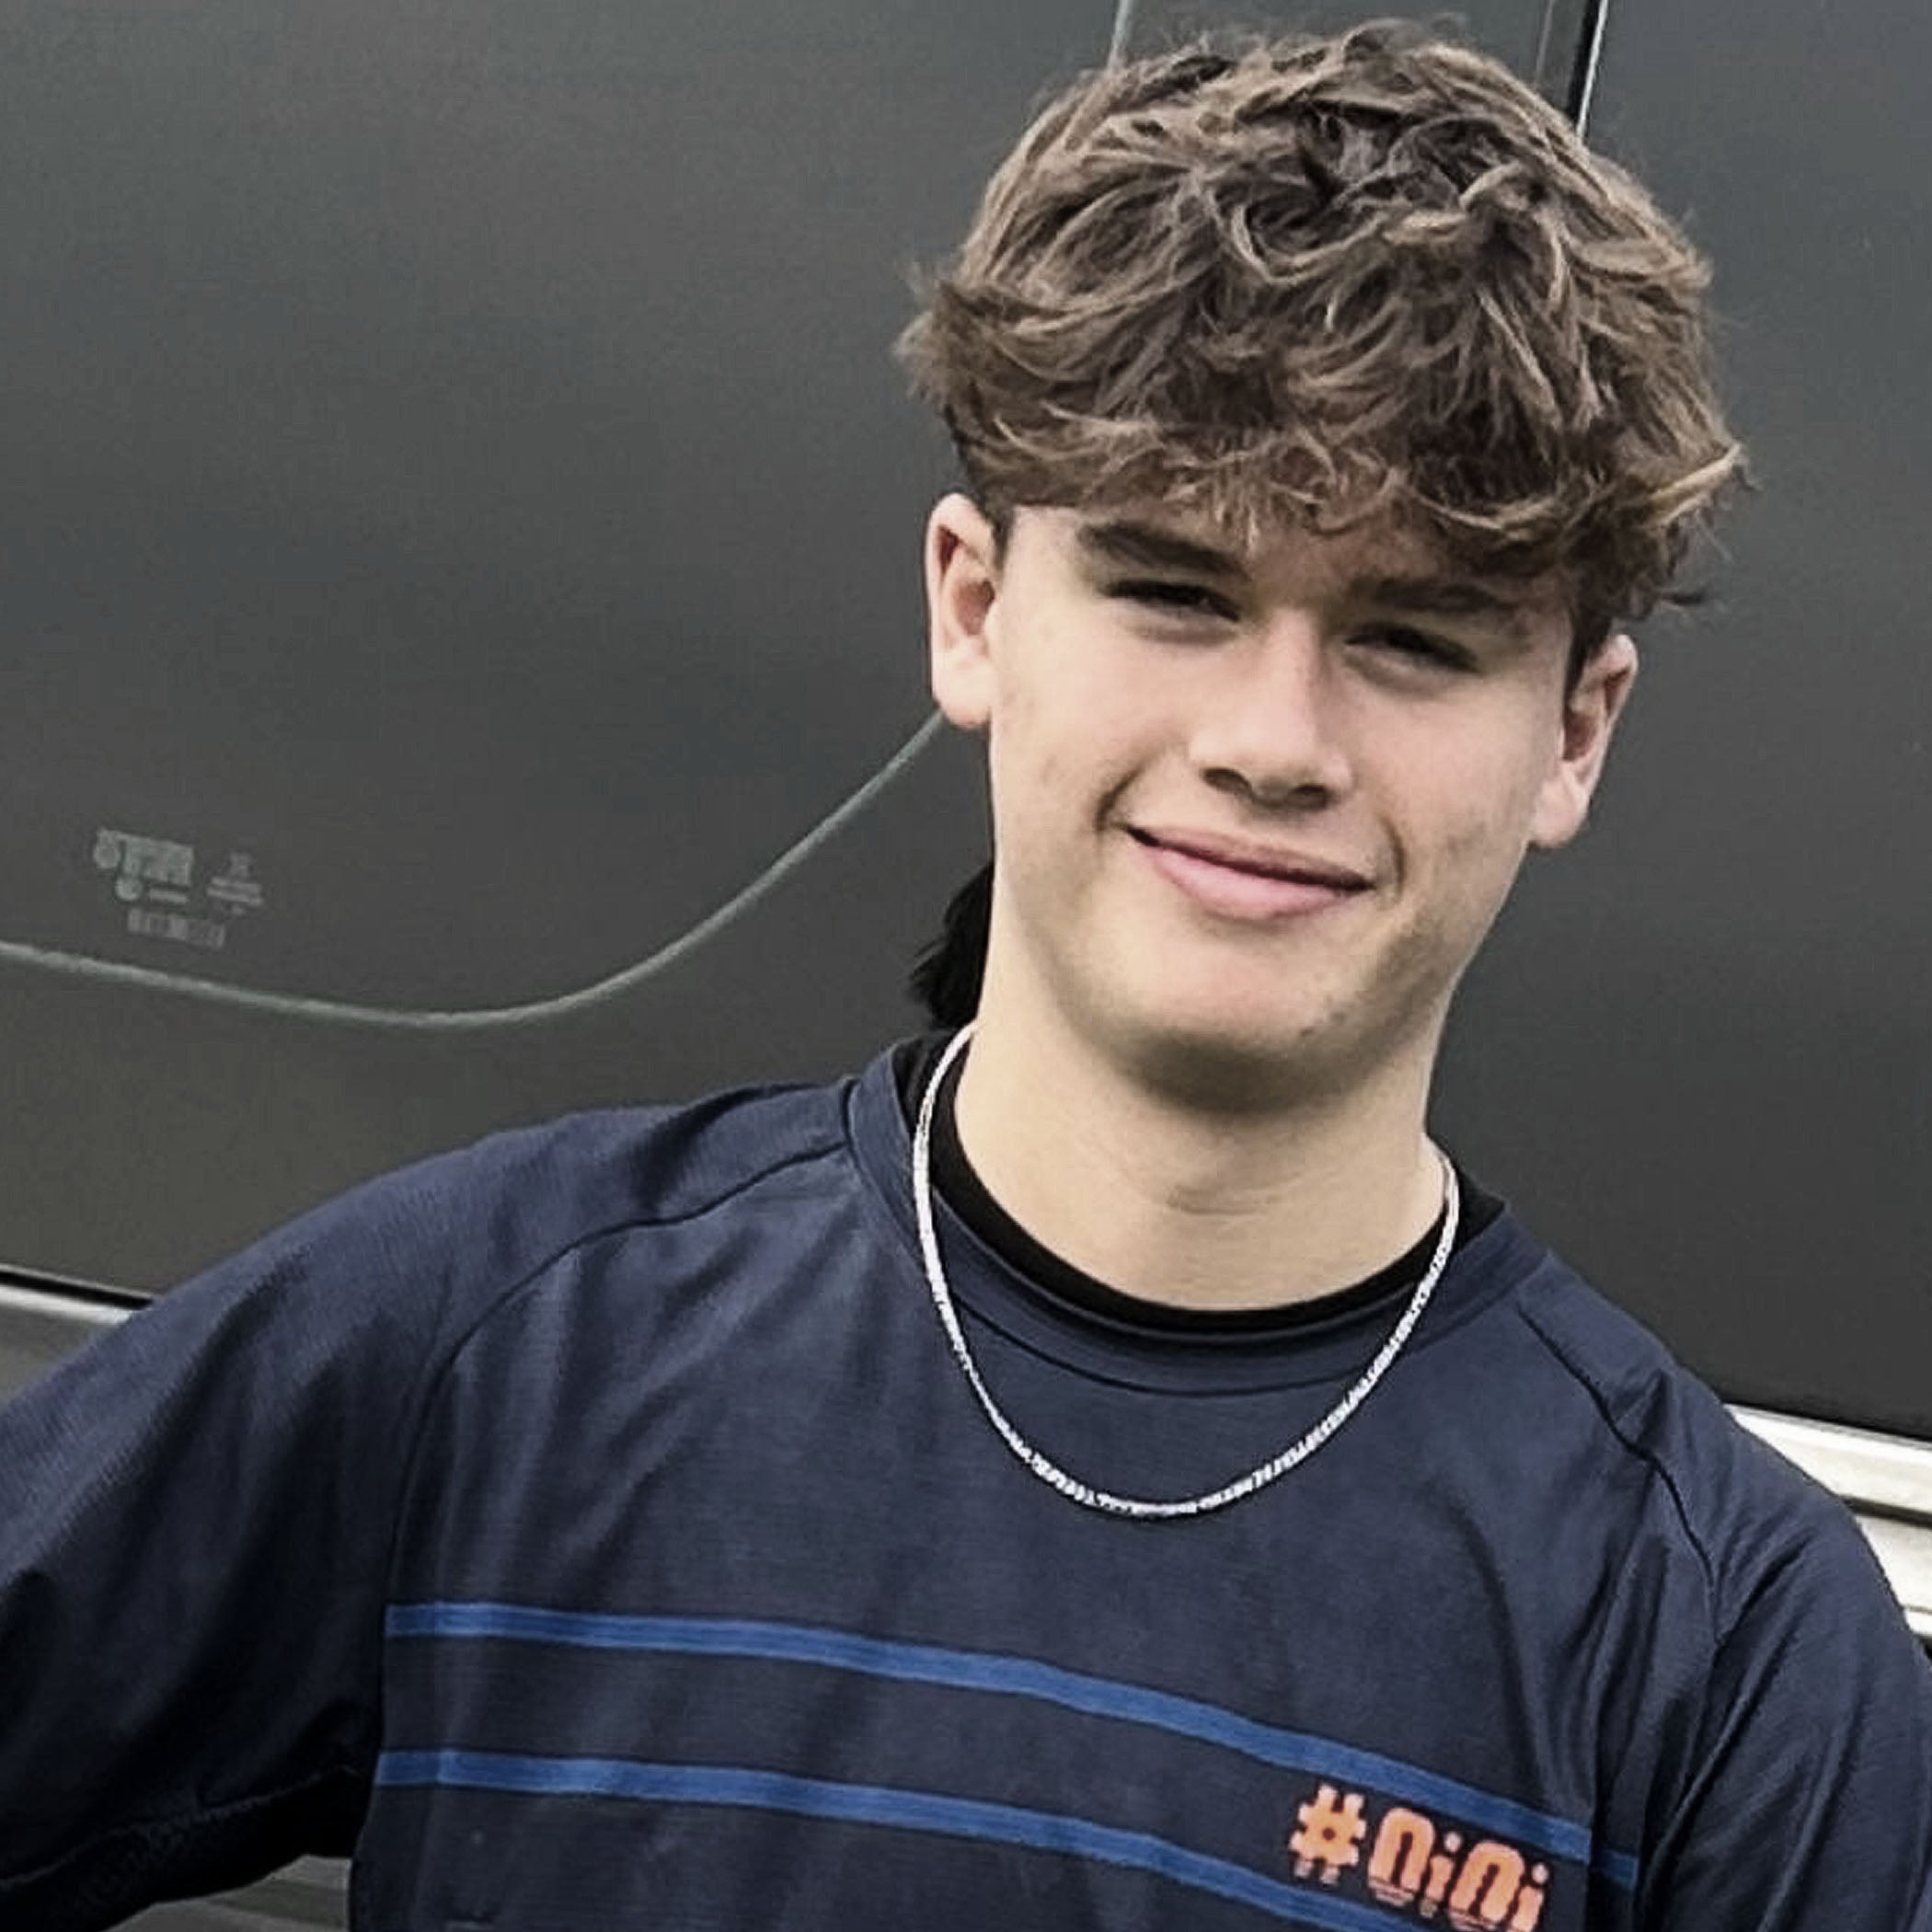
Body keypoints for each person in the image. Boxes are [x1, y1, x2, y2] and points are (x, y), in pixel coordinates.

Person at [4, 22, 1928, 1932]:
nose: (1275, 738)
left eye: (1416, 638)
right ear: (976, 606)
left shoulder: (1724, 1655)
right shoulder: (489, 1351)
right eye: (1176, 590)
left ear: (1577, 732)